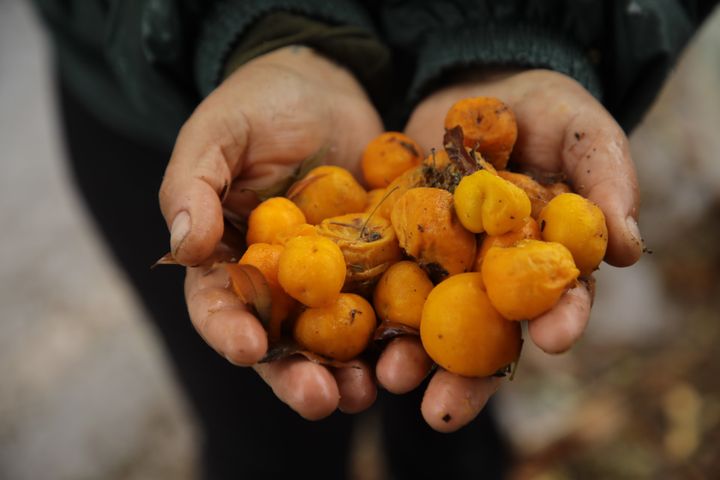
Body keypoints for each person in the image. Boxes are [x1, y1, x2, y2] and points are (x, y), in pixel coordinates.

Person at [33, 1, 718, 478]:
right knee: (263, 440)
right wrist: (247, 23)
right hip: (149, 89)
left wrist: (528, 28)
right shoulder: (333, 234)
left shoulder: (476, 236)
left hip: (470, 90)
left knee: (445, 420)